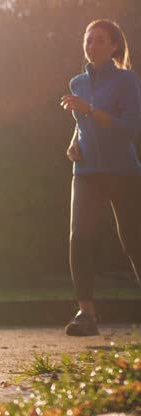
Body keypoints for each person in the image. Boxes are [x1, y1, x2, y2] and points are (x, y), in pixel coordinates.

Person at [60, 19, 141, 336]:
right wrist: (73, 143)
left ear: (114, 46)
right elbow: (81, 123)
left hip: (123, 172)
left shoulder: (127, 81)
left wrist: (90, 110)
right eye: (88, 39)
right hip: (86, 173)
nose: (91, 45)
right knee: (79, 237)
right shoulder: (77, 83)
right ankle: (86, 314)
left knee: (134, 242)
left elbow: (129, 127)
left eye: (99, 40)